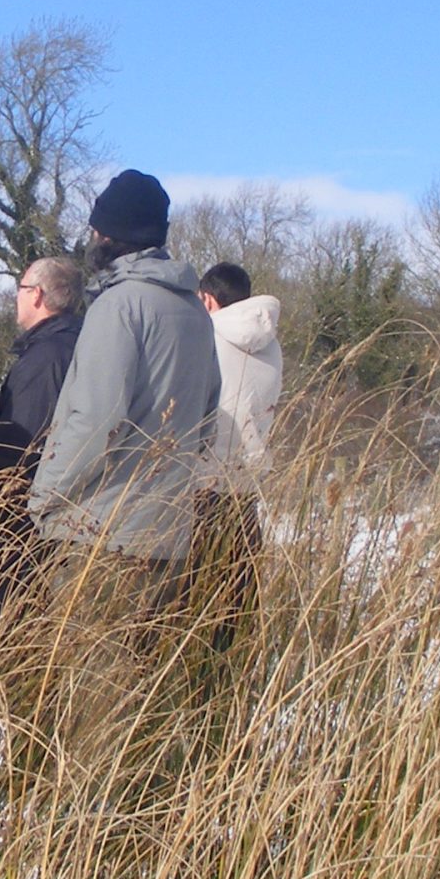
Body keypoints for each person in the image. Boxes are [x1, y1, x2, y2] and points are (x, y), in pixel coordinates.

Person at [12, 169, 220, 815]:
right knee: (144, 709)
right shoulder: (193, 315)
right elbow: (208, 420)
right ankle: (143, 843)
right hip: (169, 540)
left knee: (93, 717)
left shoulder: (118, 307)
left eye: (98, 225)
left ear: (114, 236)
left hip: (102, 541)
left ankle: (94, 865)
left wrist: (42, 500)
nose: (91, 236)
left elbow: (91, 422)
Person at [0, 255, 84, 637]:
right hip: (68, 523)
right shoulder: (83, 345)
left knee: (14, 642)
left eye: (20, 290)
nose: (16, 299)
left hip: (26, 530)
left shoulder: (42, 360)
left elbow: (20, 451)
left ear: (36, 295)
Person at [193, 261, 282, 649]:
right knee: (237, 606)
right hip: (245, 489)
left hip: (202, 487)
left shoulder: (206, 336)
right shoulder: (272, 345)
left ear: (208, 299)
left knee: (193, 605)